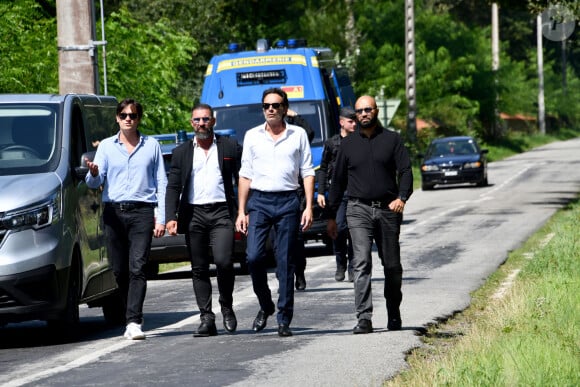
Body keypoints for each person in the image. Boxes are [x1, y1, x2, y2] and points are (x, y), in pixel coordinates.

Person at [327, 95, 413, 334]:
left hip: (387, 209)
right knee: (362, 263)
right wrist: (331, 215)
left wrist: (401, 197)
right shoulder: (348, 144)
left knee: (392, 266)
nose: (363, 114)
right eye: (359, 111)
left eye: (367, 109)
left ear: (376, 111)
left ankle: (393, 313)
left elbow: (406, 171)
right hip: (358, 209)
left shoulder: (392, 139)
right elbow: (338, 181)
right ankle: (364, 317)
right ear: (355, 116)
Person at [236, 88, 315, 337]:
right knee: (254, 257)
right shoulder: (251, 136)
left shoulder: (298, 134)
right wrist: (241, 211)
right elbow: (245, 175)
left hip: (288, 201)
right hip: (259, 201)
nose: (271, 109)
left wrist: (309, 206)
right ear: (263, 108)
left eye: (276, 105)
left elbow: (307, 172)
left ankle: (284, 318)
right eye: (267, 105)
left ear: (284, 108)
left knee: (285, 264)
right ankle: (266, 304)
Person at [85, 98, 167, 340]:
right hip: (113, 212)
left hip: (142, 212)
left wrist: (161, 218)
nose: (128, 119)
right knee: (119, 271)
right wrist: (93, 174)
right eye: (123, 115)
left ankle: (134, 320)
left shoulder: (151, 145)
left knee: (138, 267)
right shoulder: (107, 147)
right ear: (117, 118)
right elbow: (95, 183)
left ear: (138, 118)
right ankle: (125, 312)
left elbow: (161, 182)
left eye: (132, 115)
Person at [165, 103, 242, 337]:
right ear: (191, 123)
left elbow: (243, 179)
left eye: (206, 119)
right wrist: (170, 217)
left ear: (213, 121)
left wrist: (243, 211)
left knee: (224, 261)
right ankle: (206, 318)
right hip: (194, 214)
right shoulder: (182, 152)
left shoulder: (229, 146)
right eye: (197, 120)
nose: (202, 124)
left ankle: (226, 306)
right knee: (198, 267)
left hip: (221, 212)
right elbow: (173, 186)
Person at [317, 107, 357, 282]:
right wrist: (320, 192)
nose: (354, 124)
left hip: (356, 192)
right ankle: (341, 262)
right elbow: (323, 168)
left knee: (355, 231)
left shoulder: (360, 141)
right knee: (340, 228)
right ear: (342, 122)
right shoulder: (332, 143)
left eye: (355, 121)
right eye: (351, 121)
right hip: (338, 193)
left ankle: (352, 267)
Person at [285, 108, 314, 291]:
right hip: (276, 197)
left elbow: (310, 133)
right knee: (281, 243)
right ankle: (285, 277)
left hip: (296, 196)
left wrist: (296, 116)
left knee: (296, 240)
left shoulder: (297, 134)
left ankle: (299, 272)